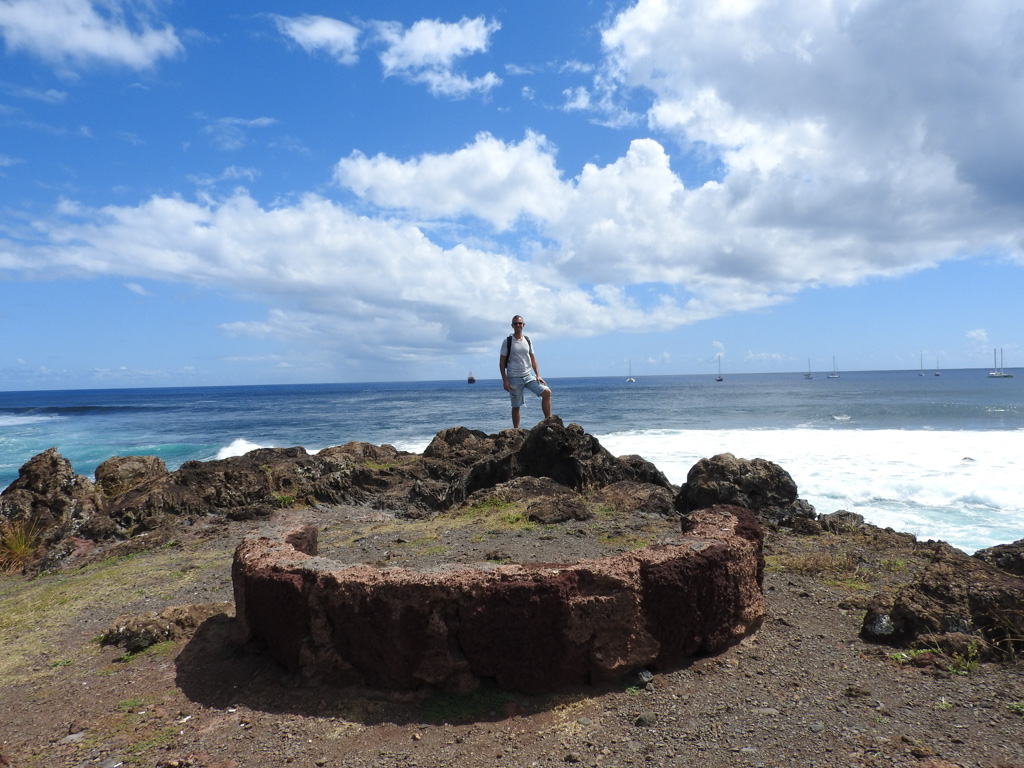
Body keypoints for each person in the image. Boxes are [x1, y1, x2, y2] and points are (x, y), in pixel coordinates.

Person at [499, 315, 552, 428]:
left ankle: (549, 422)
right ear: (512, 325)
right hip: (513, 377)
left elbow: (533, 358)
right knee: (516, 405)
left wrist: (538, 375)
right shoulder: (507, 341)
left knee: (547, 392)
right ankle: (516, 431)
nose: (518, 325)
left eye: (520, 323)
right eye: (515, 323)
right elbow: (502, 363)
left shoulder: (527, 340)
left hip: (528, 376)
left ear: (523, 325)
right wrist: (505, 380)